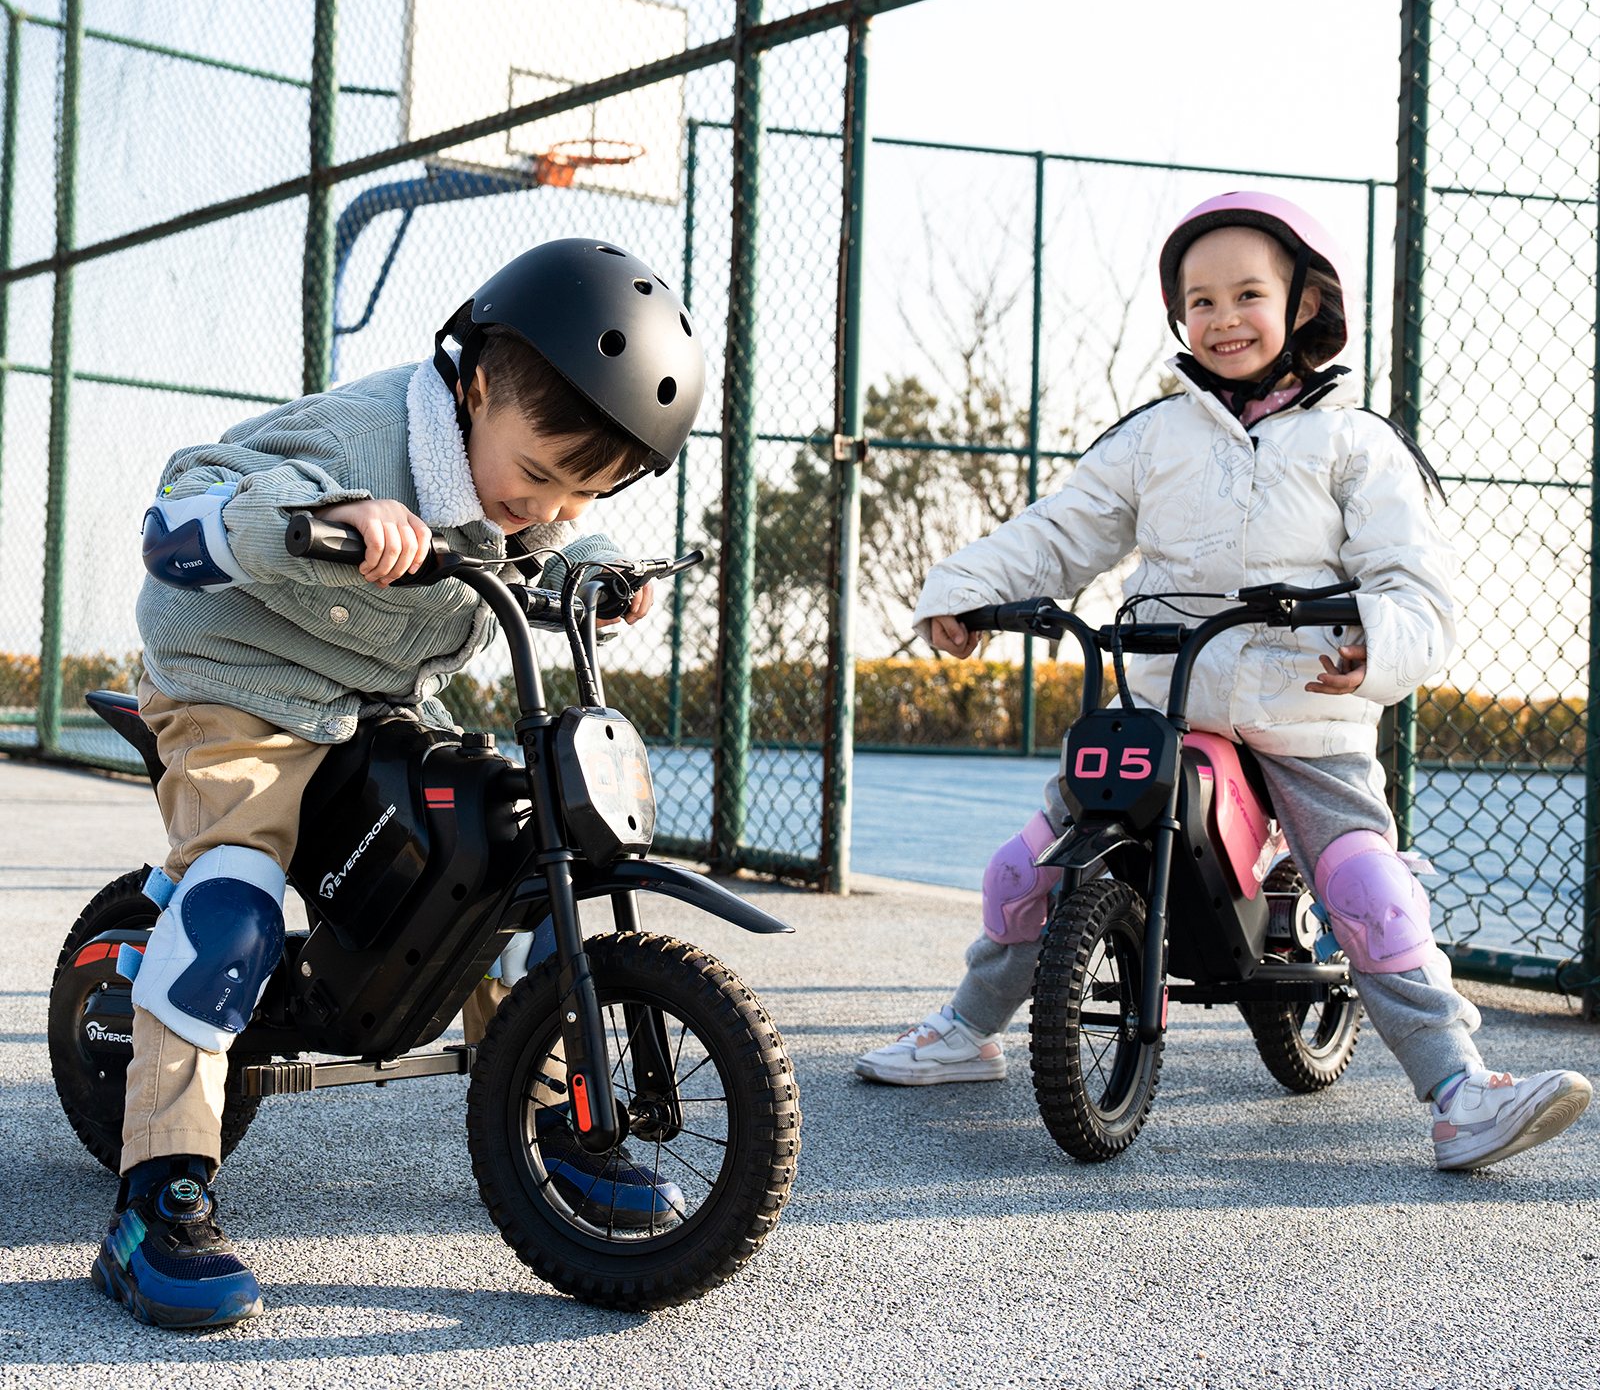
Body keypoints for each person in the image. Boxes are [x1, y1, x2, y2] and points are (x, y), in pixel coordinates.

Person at [855, 191, 1592, 1173]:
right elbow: (1059, 533)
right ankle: (963, 1030)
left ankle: (1458, 1089)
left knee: (1368, 889)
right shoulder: (1155, 435)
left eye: (1249, 293)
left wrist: (1380, 637)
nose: (1224, 317)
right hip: (1170, 703)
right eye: (1199, 300)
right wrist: (964, 592)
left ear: (1304, 306)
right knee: (1021, 870)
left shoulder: (1356, 442)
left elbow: (1413, 582)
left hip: (1307, 713)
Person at [94, 239, 705, 1329]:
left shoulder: (527, 491)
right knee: (231, 893)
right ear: (472, 388)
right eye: (538, 477)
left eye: (583, 490)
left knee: (497, 852)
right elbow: (188, 499)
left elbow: (548, 543)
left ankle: (561, 1114)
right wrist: (322, 515)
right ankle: (159, 1192)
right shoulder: (365, 435)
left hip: (368, 705)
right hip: (237, 692)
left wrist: (593, 565)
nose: (544, 509)